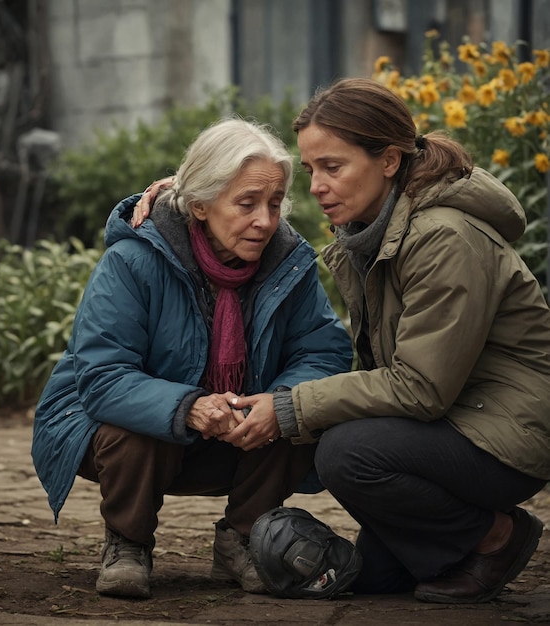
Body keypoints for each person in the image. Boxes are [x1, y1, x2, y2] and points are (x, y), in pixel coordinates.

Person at [222, 78, 550, 604]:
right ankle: (443, 546)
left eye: (333, 167)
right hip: (453, 421)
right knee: (370, 579)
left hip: (506, 434)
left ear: (390, 161)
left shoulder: (444, 238)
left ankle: (497, 537)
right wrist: (180, 196)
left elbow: (420, 387)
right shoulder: (373, 230)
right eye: (310, 170)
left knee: (346, 452)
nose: (317, 187)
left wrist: (290, 408)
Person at [31, 117, 353, 599]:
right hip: (117, 435)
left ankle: (243, 540)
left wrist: (275, 403)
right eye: (246, 203)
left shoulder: (290, 264)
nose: (264, 220)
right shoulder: (133, 261)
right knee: (138, 426)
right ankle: (128, 541)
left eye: (273, 203)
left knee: (301, 411)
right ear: (200, 205)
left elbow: (321, 350)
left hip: (235, 436)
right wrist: (189, 407)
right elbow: (102, 378)